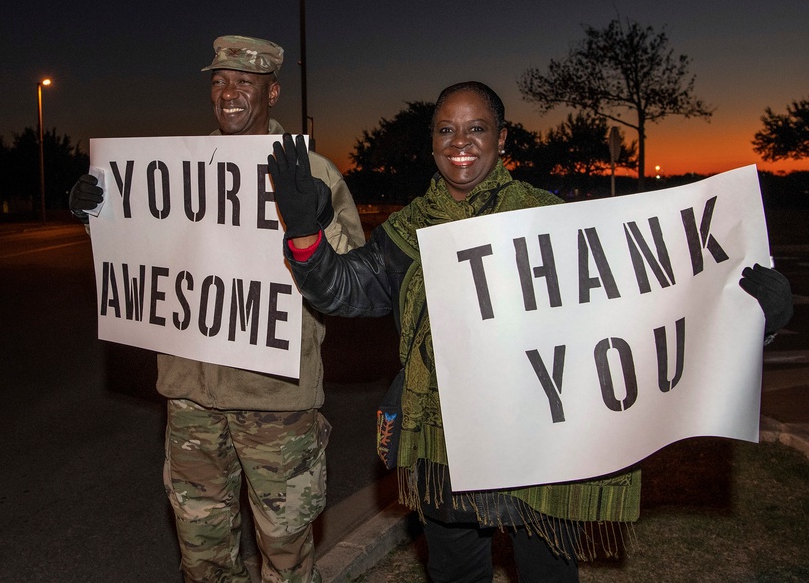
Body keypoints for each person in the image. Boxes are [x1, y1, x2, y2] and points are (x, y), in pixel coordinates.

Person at [267, 81, 794, 583]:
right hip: (443, 445)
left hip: (541, 448)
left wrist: (748, 320)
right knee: (453, 574)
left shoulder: (549, 219)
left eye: (476, 128)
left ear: (502, 139)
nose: (460, 142)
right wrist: (306, 235)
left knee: (547, 574)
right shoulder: (409, 231)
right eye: (445, 130)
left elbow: (640, 309)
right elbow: (342, 290)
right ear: (432, 143)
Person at [68, 35, 364, 582]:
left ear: (271, 91)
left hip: (275, 402)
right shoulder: (173, 172)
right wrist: (101, 216)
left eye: (244, 83)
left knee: (286, 556)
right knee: (202, 555)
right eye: (219, 81)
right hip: (191, 401)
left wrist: (315, 222)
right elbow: (144, 256)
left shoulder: (314, 174)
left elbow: (350, 284)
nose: (229, 93)